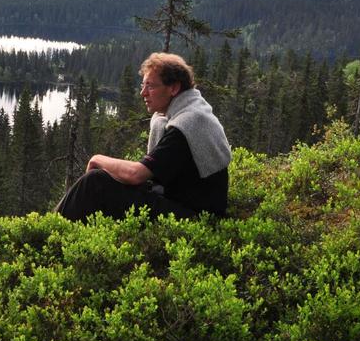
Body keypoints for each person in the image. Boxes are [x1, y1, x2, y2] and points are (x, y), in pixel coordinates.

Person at [55, 52, 230, 222]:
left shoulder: (186, 125)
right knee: (105, 180)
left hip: (194, 217)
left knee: (95, 182)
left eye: (151, 86)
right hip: (183, 203)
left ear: (174, 88)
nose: (143, 93)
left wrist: (96, 158)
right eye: (143, 85)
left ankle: (48, 234)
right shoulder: (193, 110)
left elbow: (136, 174)